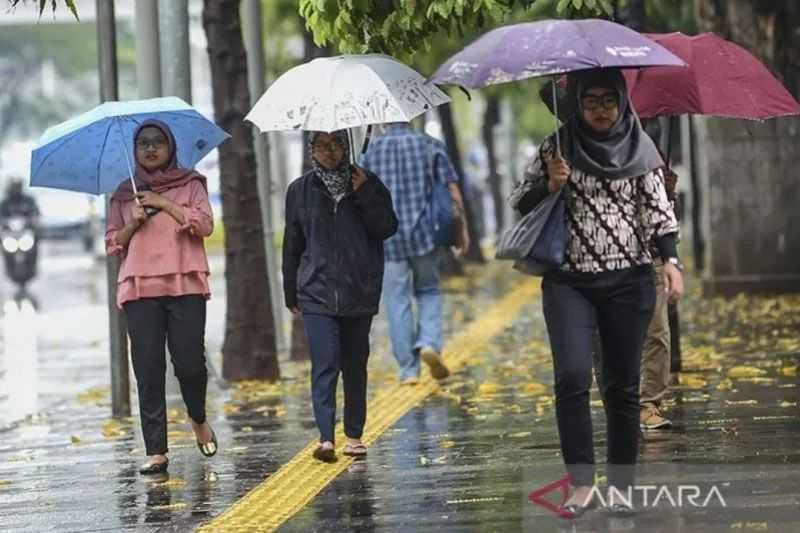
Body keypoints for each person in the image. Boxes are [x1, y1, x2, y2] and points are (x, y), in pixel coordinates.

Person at [509, 68, 684, 516]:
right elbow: (519, 200)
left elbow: (658, 211)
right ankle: (582, 483)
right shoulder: (558, 145)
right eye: (592, 101)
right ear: (578, 104)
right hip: (569, 282)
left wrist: (671, 262)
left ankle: (622, 485)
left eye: (609, 100)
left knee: (621, 387)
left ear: (622, 102)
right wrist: (550, 183)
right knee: (570, 377)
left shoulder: (640, 146)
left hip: (628, 281)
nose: (601, 110)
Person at [105, 120, 217, 476]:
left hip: (185, 284)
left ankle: (198, 417)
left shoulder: (192, 183)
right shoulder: (124, 193)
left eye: (157, 142)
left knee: (189, 364)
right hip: (140, 288)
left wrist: (163, 203)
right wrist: (133, 221)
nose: (150, 149)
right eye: (143, 144)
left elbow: (205, 225)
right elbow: (113, 243)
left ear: (170, 146)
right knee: (148, 369)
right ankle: (156, 450)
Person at [283, 130, 398, 462]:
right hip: (315, 290)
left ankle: (354, 434)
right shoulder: (300, 190)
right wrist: (291, 290)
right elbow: (292, 244)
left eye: (336, 144)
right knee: (325, 361)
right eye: (322, 145)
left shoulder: (369, 183)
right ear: (312, 150)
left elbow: (386, 228)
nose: (330, 152)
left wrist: (364, 194)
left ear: (346, 146)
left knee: (354, 363)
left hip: (358, 289)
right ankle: (325, 438)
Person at [360, 122, 470, 385]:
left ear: (384, 119)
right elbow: (452, 190)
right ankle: (429, 342)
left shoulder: (370, 151)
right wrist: (462, 229)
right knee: (428, 290)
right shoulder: (430, 144)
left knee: (397, 301)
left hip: (387, 238)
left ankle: (409, 370)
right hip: (426, 235)